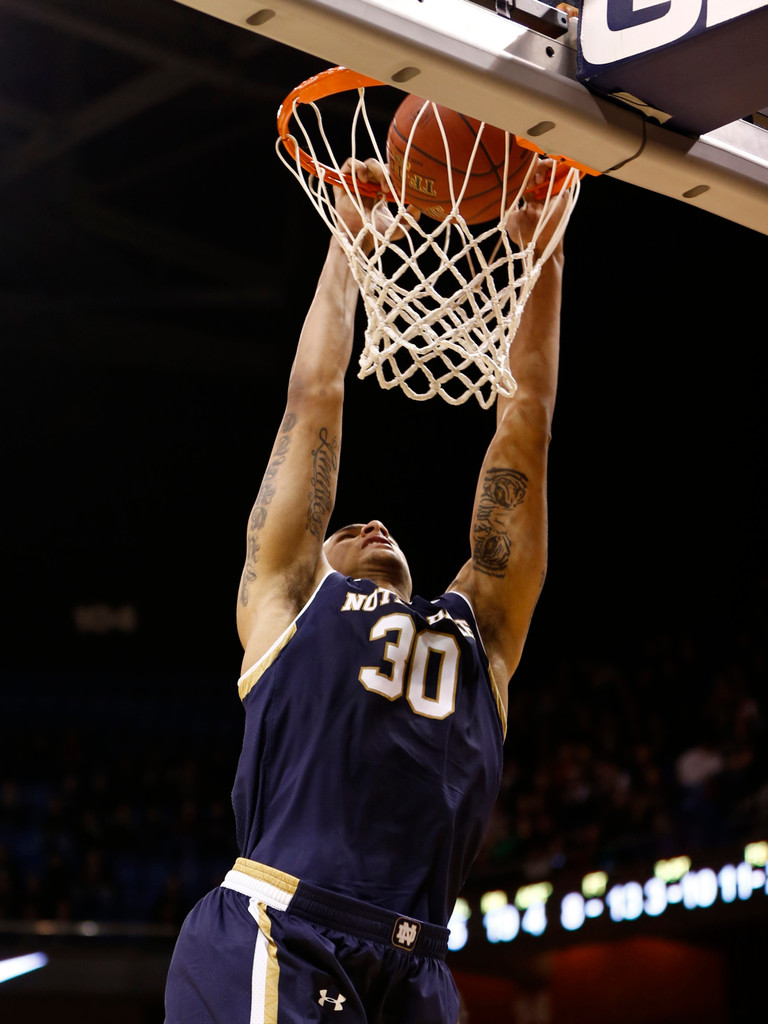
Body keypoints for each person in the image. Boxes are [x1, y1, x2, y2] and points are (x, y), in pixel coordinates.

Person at [164, 157, 567, 1024]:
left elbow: (523, 428)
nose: (372, 524)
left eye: (378, 528)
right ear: (316, 556)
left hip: (419, 965)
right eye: (344, 528)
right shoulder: (288, 604)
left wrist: (544, 271)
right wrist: (350, 244)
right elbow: (312, 400)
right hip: (283, 923)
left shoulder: (481, 635)